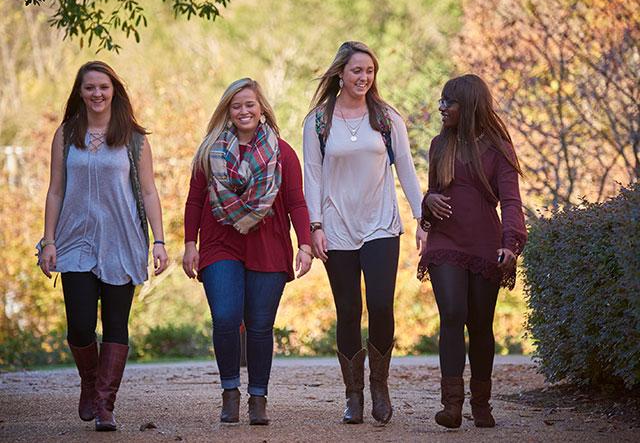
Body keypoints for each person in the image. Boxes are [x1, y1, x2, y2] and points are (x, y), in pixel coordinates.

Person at [38, 61, 169, 431]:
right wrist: (49, 240)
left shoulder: (134, 137)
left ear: (115, 91)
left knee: (115, 323)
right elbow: (56, 189)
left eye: (104, 87)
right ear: (80, 93)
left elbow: (148, 190)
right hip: (74, 239)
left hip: (122, 239)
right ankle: (90, 380)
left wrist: (159, 241)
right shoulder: (66, 134)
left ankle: (105, 405)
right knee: (79, 326)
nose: (97, 94)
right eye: (90, 88)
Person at [303, 41, 427, 425]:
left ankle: (379, 385)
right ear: (341, 73)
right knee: (348, 311)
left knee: (381, 304)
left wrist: (423, 218)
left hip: (381, 225)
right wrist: (315, 227)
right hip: (336, 226)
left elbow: (405, 167)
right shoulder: (319, 121)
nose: (364, 78)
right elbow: (312, 175)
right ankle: (353, 394)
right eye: (357, 71)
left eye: (370, 71)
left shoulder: (387, 118)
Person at [183, 78, 312, 425]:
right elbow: (195, 200)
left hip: (268, 244)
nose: (244, 111)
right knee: (225, 316)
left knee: (259, 325)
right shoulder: (210, 150)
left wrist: (305, 244)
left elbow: (297, 202)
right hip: (219, 242)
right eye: (236, 105)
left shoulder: (282, 152)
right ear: (227, 110)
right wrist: (189, 243)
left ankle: (258, 398)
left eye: (250, 105)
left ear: (261, 108)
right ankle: (230, 392)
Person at [418, 74, 527, 429]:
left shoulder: (498, 149)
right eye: (442, 101)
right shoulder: (439, 145)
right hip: (445, 242)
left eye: (449, 102)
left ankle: (481, 405)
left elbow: (511, 201)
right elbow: (433, 192)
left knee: (480, 324)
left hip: (484, 244)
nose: (442, 108)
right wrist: (427, 200)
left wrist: (510, 244)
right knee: (452, 313)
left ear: (470, 106)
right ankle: (451, 406)